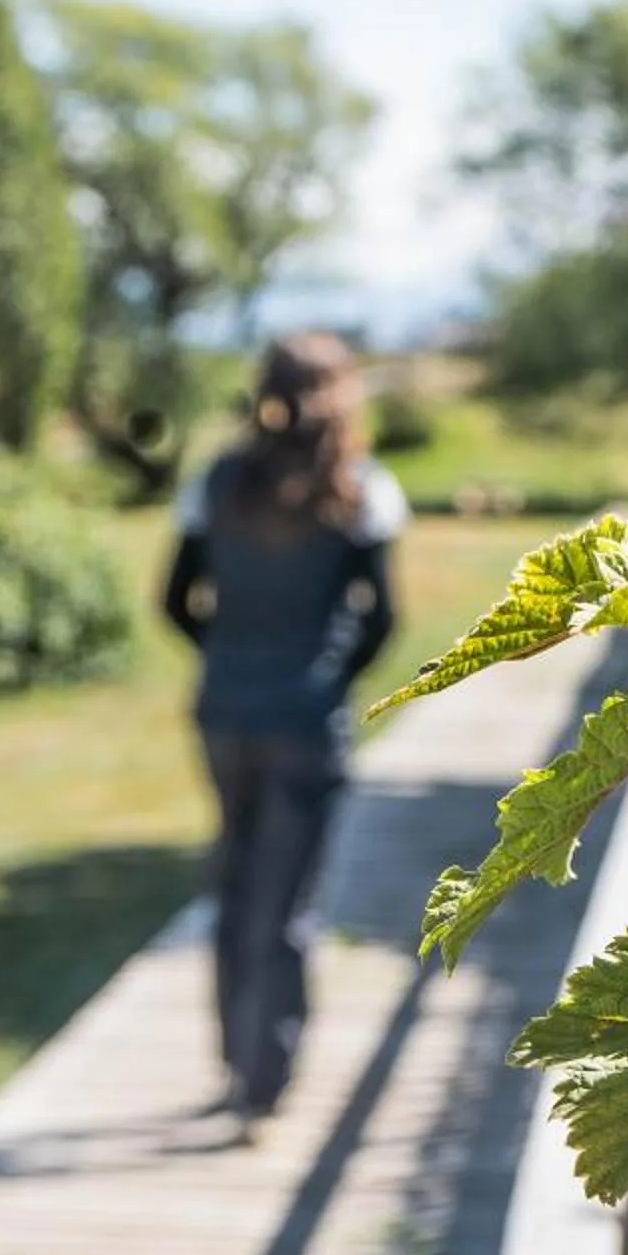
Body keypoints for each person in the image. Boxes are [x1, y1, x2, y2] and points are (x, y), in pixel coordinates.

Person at [161, 334, 407, 1136]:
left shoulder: (219, 484)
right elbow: (384, 619)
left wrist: (230, 659)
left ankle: (235, 1057)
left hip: (226, 713)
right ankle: (265, 1079)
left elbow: (174, 600)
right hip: (306, 719)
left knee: (235, 882)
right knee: (287, 899)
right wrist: (328, 674)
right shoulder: (359, 490)